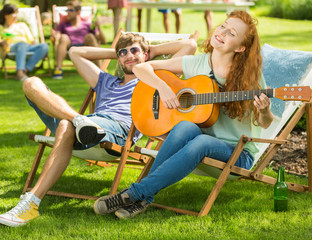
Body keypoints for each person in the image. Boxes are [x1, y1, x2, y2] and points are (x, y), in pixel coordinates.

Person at [0, 33, 197, 227]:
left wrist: (147, 53)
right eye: (123, 53)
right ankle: (79, 120)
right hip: (86, 125)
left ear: (145, 55)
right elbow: (74, 52)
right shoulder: (106, 81)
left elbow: (190, 46)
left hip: (116, 130)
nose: (128, 55)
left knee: (66, 125)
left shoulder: (153, 82)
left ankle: (31, 202)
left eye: (134, 51)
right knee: (31, 83)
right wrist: (119, 53)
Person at [93, 11, 274, 219]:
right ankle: (143, 198)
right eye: (223, 26)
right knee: (184, 127)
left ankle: (133, 194)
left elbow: (265, 124)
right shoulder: (196, 63)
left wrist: (264, 110)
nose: (222, 32)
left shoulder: (250, 77)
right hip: (199, 139)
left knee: (201, 142)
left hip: (238, 153)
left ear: (241, 47)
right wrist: (162, 87)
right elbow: (142, 68)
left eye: (231, 33)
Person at [0, 4, 49, 81]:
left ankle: (24, 70)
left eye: (17, 13)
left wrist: (37, 46)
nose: (16, 15)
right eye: (13, 13)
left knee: (45, 46)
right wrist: (3, 42)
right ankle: (20, 73)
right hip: (11, 48)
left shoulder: (22, 25)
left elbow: (32, 40)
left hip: (27, 47)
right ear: (6, 15)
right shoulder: (0, 27)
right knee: (22, 45)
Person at [52, 0, 106, 79]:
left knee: (90, 36)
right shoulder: (63, 24)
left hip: (85, 48)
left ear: (78, 12)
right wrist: (55, 36)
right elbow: (58, 35)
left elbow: (103, 41)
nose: (68, 13)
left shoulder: (87, 24)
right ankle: (58, 69)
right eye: (67, 10)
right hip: (69, 48)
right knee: (63, 37)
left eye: (70, 10)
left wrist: (99, 27)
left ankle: (101, 69)